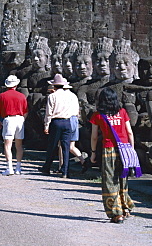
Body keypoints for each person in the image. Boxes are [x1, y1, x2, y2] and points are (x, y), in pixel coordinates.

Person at [90, 86, 137, 223]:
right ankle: (126, 207)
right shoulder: (122, 112)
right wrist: (131, 150)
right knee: (122, 179)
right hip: (124, 149)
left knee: (110, 181)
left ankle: (116, 213)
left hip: (108, 149)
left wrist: (93, 152)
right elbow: (129, 132)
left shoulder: (98, 115)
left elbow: (94, 136)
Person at [41, 74, 80, 177]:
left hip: (56, 121)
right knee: (66, 147)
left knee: (52, 145)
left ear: (54, 86)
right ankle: (65, 170)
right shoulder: (71, 96)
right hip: (67, 121)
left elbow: (49, 113)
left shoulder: (52, 96)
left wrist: (46, 125)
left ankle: (47, 167)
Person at [0, 74, 28, 175]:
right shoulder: (22, 96)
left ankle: (9, 167)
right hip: (20, 119)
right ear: (16, 85)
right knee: (19, 145)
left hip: (9, 119)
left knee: (7, 144)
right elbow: (26, 111)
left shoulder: (2, 96)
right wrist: (23, 120)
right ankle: (18, 167)